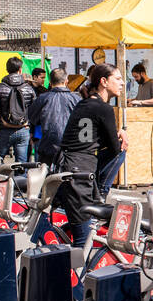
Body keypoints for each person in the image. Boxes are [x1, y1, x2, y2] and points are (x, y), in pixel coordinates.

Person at [55, 63, 128, 242]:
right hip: (79, 174)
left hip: (65, 166)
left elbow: (86, 139)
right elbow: (115, 148)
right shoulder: (104, 108)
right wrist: (122, 135)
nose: (122, 83)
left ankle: (99, 192)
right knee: (83, 239)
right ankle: (102, 192)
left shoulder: (84, 104)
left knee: (78, 232)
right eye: (117, 79)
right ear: (104, 81)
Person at [28, 68, 81, 166]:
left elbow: (32, 118)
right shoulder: (76, 99)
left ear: (50, 82)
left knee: (45, 175)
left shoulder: (43, 98)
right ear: (66, 81)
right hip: (71, 145)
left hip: (48, 143)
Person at [0, 56, 35, 163]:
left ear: (7, 70)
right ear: (20, 70)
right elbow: (34, 110)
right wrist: (31, 129)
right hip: (23, 129)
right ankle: (20, 179)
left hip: (4, 129)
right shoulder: (28, 88)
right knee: (22, 164)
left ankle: (0, 179)